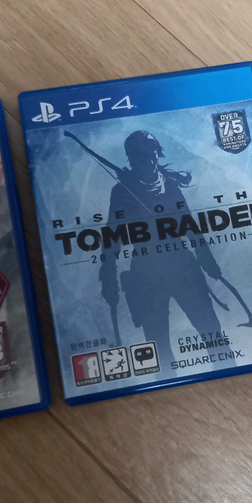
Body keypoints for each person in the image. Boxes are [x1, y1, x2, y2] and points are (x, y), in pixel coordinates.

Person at [100, 130, 224, 366]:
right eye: (140, 156)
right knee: (159, 348)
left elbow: (189, 225)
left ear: (157, 153)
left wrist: (207, 260)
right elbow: (111, 238)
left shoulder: (171, 185)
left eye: (151, 153)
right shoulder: (121, 192)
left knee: (213, 334)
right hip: (146, 274)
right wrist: (108, 279)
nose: (147, 160)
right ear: (131, 159)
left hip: (183, 267)